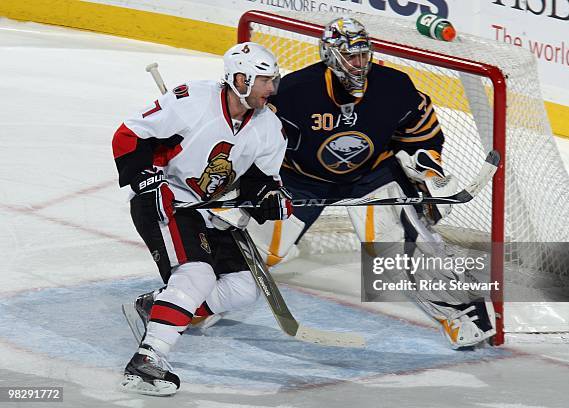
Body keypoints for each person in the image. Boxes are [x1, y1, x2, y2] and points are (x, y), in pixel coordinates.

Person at [246, 17, 496, 349]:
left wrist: (427, 169)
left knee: (396, 253)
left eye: (363, 55)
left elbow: (420, 132)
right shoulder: (294, 92)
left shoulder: (394, 86)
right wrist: (246, 181)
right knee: (260, 251)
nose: (359, 63)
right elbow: (253, 137)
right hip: (301, 179)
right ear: (330, 55)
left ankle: (460, 313)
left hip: (371, 177)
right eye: (351, 56)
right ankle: (200, 301)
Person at [111, 42, 292, 396]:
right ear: (241, 79)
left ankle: (158, 306)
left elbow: (262, 181)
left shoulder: (270, 127)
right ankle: (147, 361)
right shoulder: (191, 100)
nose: (272, 89)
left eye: (273, 80)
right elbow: (127, 135)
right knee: (197, 273)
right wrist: (146, 180)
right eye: (264, 81)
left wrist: (271, 200)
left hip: (210, 208)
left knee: (244, 287)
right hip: (164, 200)